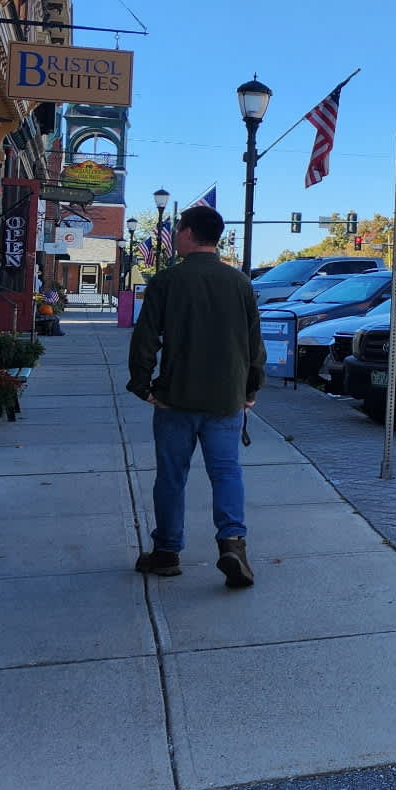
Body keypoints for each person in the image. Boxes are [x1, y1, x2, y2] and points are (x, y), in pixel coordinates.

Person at [127, 204, 264, 587]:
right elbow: (254, 343)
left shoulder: (167, 281)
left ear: (187, 233)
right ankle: (233, 545)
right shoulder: (240, 283)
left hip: (176, 398)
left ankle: (167, 552)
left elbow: (146, 338)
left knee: (171, 476)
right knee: (226, 472)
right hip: (226, 398)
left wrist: (142, 385)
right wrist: (250, 389)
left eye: (179, 228)